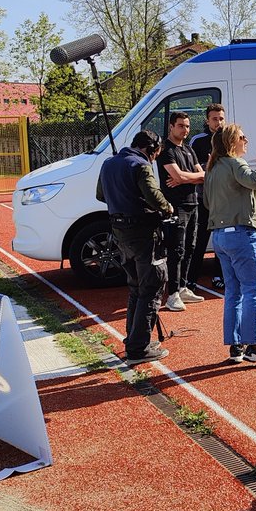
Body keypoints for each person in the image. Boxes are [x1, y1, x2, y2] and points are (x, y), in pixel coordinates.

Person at [203, 123, 256, 366]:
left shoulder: (213, 169)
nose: (246, 140)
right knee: (254, 289)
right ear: (231, 142)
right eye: (242, 137)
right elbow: (255, 181)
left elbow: (207, 202)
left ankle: (236, 345)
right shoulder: (235, 163)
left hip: (220, 236)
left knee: (233, 292)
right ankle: (255, 345)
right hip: (241, 233)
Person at [95, 130, 175, 365]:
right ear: (151, 149)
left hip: (119, 232)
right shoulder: (140, 165)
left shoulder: (109, 164)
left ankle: (133, 339)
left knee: (136, 288)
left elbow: (101, 195)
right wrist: (168, 208)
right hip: (143, 234)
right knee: (152, 288)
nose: (155, 158)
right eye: (156, 154)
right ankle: (138, 348)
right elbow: (154, 198)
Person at [157, 110, 205, 312]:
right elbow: (178, 176)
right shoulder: (166, 150)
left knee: (190, 247)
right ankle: (173, 294)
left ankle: (183, 287)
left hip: (193, 203)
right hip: (175, 206)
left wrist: (186, 177)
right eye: (181, 126)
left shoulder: (188, 149)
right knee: (176, 250)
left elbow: (203, 175)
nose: (185, 130)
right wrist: (188, 176)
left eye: (187, 126)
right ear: (171, 126)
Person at [189, 103, 227, 294]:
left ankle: (219, 277)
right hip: (203, 200)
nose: (218, 122)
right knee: (199, 241)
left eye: (221, 118)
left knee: (222, 241)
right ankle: (190, 281)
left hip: (223, 201)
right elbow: (193, 169)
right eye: (214, 119)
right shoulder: (197, 141)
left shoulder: (229, 138)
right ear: (207, 120)